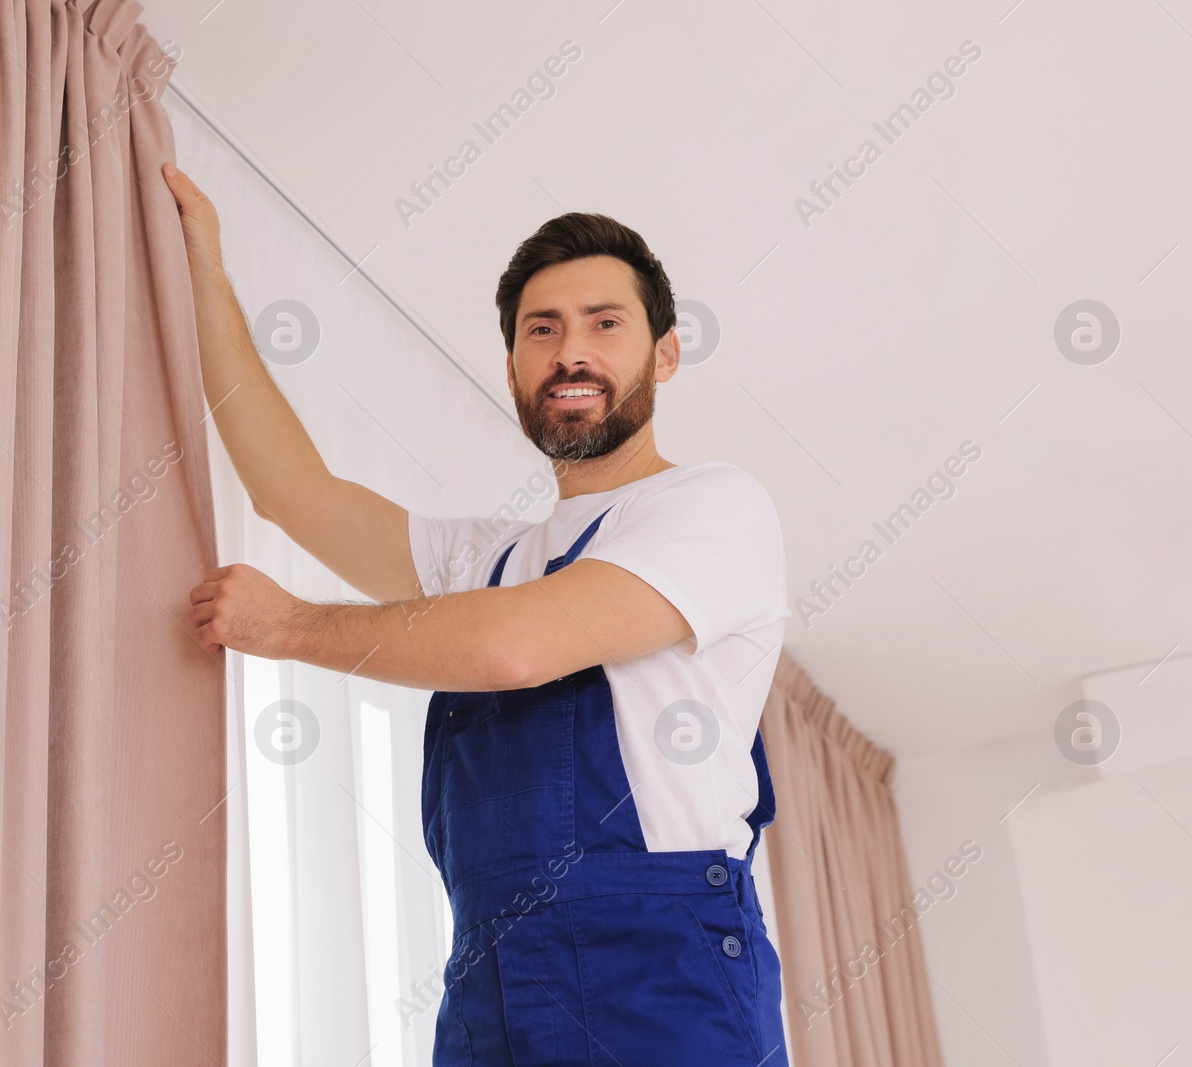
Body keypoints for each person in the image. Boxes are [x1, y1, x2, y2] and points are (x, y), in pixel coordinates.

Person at [162, 161, 790, 1066]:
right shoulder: (489, 560)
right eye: (544, 329)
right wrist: (203, 271)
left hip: (658, 971)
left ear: (665, 353)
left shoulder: (715, 506)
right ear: (512, 366)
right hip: (492, 974)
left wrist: (289, 627)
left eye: (604, 324)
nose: (571, 351)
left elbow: (513, 645)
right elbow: (291, 492)